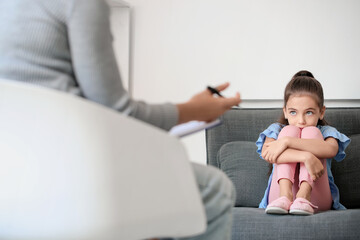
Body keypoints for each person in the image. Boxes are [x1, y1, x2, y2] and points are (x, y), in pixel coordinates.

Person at [0, 0, 241, 239]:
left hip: (10, 175)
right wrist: (195, 109)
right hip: (68, 171)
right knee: (214, 190)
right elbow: (119, 112)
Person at [256, 70, 350, 215]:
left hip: (316, 198)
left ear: (321, 112)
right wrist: (306, 157)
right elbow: (268, 153)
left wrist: (286, 142)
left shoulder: (326, 131)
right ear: (285, 111)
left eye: (309, 112)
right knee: (289, 129)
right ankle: (285, 195)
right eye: (293, 112)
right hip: (278, 197)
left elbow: (331, 150)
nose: (301, 121)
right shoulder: (276, 130)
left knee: (311, 132)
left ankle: (303, 195)